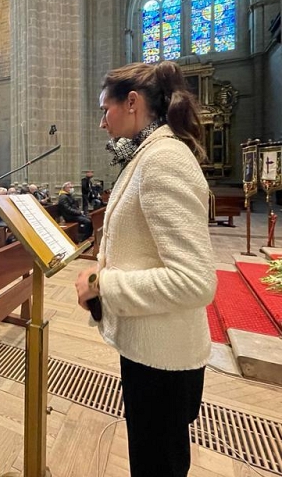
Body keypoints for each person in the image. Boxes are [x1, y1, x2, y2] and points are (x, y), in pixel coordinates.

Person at [75, 61, 216, 477]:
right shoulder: (149, 154)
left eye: (106, 109)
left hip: (163, 362)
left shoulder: (162, 160)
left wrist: (102, 284)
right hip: (152, 348)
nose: (102, 122)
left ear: (132, 103)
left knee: (158, 465)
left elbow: (194, 281)